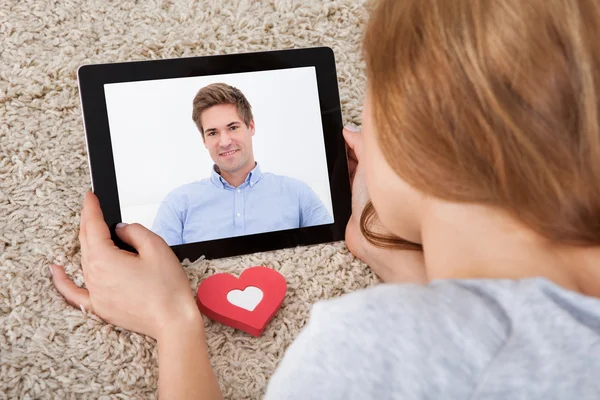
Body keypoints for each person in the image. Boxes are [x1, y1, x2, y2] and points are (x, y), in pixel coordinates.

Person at [51, 0, 600, 398]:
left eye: (372, 108)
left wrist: (172, 319)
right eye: (212, 132)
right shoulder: (179, 202)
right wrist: (393, 252)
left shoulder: (369, 345)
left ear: (420, 146)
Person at [152, 82, 333, 245]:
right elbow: (158, 271)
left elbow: (330, 253)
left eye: (233, 127)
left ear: (251, 127)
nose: (224, 142)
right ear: (204, 140)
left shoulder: (298, 194)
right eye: (213, 133)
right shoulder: (177, 204)